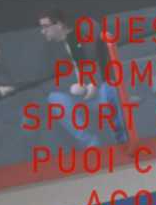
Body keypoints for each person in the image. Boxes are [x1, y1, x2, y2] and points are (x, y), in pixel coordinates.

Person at [38, 9, 128, 148]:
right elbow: (47, 82)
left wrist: (94, 84)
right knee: (55, 98)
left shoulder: (84, 37)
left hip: (97, 91)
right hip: (74, 97)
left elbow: (105, 65)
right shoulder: (49, 51)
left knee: (109, 88)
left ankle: (122, 138)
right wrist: (72, 88)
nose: (43, 31)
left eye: (45, 26)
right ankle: (90, 142)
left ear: (59, 25)